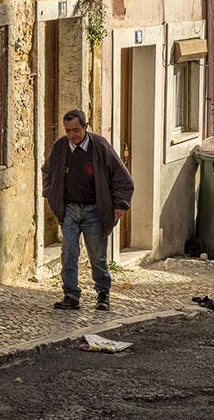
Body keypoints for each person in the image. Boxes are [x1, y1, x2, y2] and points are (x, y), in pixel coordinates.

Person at [42, 110, 134, 311]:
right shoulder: (60, 147)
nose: (72, 135)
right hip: (70, 210)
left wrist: (120, 205)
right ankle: (71, 295)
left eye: (76, 130)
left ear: (85, 127)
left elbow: (123, 179)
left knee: (97, 255)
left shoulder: (99, 146)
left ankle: (103, 294)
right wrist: (51, 196)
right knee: (68, 253)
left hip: (94, 210)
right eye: (68, 131)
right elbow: (47, 172)